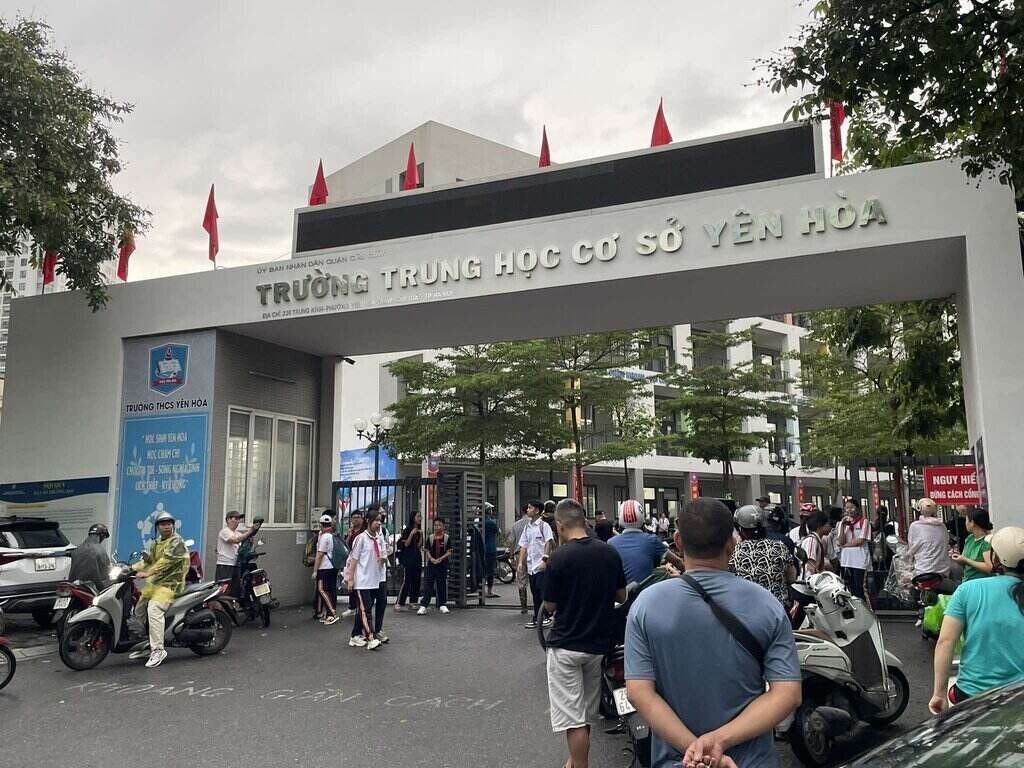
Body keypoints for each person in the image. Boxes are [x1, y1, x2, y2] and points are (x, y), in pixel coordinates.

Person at [625, 498, 802, 768]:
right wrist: (719, 741)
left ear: (678, 541)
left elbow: (639, 692)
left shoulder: (646, 605)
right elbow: (787, 694)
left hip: (677, 762)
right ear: (732, 544)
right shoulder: (767, 605)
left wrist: (696, 751)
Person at [543, 499, 627, 768]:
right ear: (584, 521)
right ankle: (575, 761)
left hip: (566, 644)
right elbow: (621, 595)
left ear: (559, 525)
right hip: (597, 645)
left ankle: (580, 765)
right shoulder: (609, 553)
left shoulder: (559, 557)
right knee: (585, 716)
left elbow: (550, 605)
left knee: (573, 718)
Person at [930, 526, 1024, 713]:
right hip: (1018, 697)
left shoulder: (968, 590)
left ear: (997, 559)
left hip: (973, 695)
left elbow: (946, 643)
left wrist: (939, 694)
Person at [130, 511, 189, 668]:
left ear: (173, 526)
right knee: (139, 610)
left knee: (154, 609)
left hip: (171, 584)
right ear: (157, 527)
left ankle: (158, 650)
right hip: (156, 583)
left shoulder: (177, 542)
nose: (167, 527)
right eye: (163, 524)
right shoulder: (156, 543)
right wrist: (129, 568)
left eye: (169, 524)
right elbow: (147, 560)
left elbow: (164, 561)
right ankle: (147, 644)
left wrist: (148, 572)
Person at [730, 505, 797, 608]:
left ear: (739, 528)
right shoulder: (779, 546)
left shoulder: (733, 552)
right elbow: (792, 577)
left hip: (746, 612)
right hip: (778, 611)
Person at [609, 499, 685, 585]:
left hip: (621, 595)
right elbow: (677, 562)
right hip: (646, 591)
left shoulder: (611, 543)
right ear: (642, 518)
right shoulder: (651, 540)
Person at [344, 509, 389, 649]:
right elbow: (353, 560)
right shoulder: (361, 539)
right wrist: (351, 580)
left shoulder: (379, 538)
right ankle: (370, 637)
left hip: (374, 580)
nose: (378, 524)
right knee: (365, 610)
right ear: (368, 521)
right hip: (362, 580)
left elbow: (383, 554)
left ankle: (355, 635)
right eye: (376, 521)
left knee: (364, 608)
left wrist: (383, 558)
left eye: (380, 521)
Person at [518, 499, 555, 629]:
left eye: (530, 508)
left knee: (542, 591)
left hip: (541, 565)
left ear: (537, 510)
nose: (527, 510)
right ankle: (537, 618)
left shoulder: (543, 526)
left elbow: (548, 542)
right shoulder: (527, 527)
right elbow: (523, 545)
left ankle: (547, 616)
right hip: (531, 566)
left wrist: (545, 560)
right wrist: (520, 563)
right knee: (534, 592)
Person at [907, 498, 953, 587]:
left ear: (919, 509)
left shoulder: (915, 526)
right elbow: (946, 542)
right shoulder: (942, 526)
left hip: (922, 571)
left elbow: (911, 548)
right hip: (943, 572)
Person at [215, 510, 261, 596]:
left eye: (238, 519)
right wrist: (251, 530)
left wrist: (254, 530)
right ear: (228, 520)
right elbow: (236, 540)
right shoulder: (224, 531)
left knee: (235, 591)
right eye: (235, 518)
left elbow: (245, 539)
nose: (238, 521)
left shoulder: (237, 533)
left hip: (236, 565)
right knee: (224, 592)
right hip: (225, 566)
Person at [837, 498, 872, 599]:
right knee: (848, 587)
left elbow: (860, 540)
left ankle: (866, 610)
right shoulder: (842, 524)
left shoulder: (864, 522)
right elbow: (841, 541)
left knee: (860, 588)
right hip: (846, 560)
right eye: (847, 507)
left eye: (852, 507)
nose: (849, 510)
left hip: (859, 561)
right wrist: (843, 526)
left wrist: (846, 545)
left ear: (857, 509)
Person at [417, 517, 452, 615]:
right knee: (428, 584)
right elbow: (427, 550)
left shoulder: (446, 538)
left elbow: (449, 552)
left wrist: (441, 559)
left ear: (443, 526)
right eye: (435, 525)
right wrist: (431, 559)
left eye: (439, 525)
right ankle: (424, 605)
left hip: (442, 565)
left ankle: (442, 604)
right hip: (431, 565)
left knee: (441, 584)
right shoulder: (431, 537)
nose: (437, 527)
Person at [311, 514, 340, 625]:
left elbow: (319, 555)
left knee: (321, 590)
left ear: (321, 525)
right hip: (332, 567)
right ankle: (330, 613)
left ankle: (331, 613)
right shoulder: (332, 535)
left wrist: (315, 570)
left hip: (324, 568)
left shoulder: (324, 537)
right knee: (331, 590)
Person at [952, 508, 994, 582]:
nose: (965, 523)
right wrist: (959, 558)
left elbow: (989, 567)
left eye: (966, 520)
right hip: (967, 580)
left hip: (981, 583)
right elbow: (964, 560)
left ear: (972, 523)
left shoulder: (987, 541)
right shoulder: (969, 538)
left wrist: (966, 560)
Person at [68, 523, 112, 590]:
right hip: (93, 587)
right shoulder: (99, 550)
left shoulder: (78, 549)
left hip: (74, 585)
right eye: (104, 537)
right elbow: (105, 571)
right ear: (102, 535)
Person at [395, 510, 423, 611]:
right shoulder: (407, 530)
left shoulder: (419, 530)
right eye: (418, 516)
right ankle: (399, 603)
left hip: (417, 557)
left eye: (420, 517)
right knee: (407, 580)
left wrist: (421, 536)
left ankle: (413, 601)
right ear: (413, 518)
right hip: (408, 557)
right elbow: (406, 544)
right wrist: (411, 534)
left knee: (417, 579)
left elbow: (419, 546)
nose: (420, 518)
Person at [340, 511, 365, 618]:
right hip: (351, 560)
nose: (355, 519)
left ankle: (359, 606)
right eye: (353, 517)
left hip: (361, 561)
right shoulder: (350, 531)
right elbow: (345, 545)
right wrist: (349, 536)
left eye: (358, 517)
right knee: (350, 583)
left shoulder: (364, 532)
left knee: (359, 584)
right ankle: (352, 606)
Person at [797, 509, 834, 578]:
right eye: (828, 524)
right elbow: (810, 566)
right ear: (820, 524)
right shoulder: (812, 541)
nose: (830, 527)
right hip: (807, 584)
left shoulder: (816, 540)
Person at [510, 505, 532, 614]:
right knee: (535, 579)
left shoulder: (515, 525)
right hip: (533, 554)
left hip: (520, 555)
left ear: (521, 512)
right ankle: (537, 604)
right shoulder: (535, 524)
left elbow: (512, 543)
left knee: (521, 580)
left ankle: (524, 607)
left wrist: (510, 556)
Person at [483, 502, 500, 598]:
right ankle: (489, 591)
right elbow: (498, 532)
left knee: (482, 570)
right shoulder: (491, 522)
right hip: (491, 549)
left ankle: (482, 590)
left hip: (481, 549)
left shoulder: (478, 522)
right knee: (490, 571)